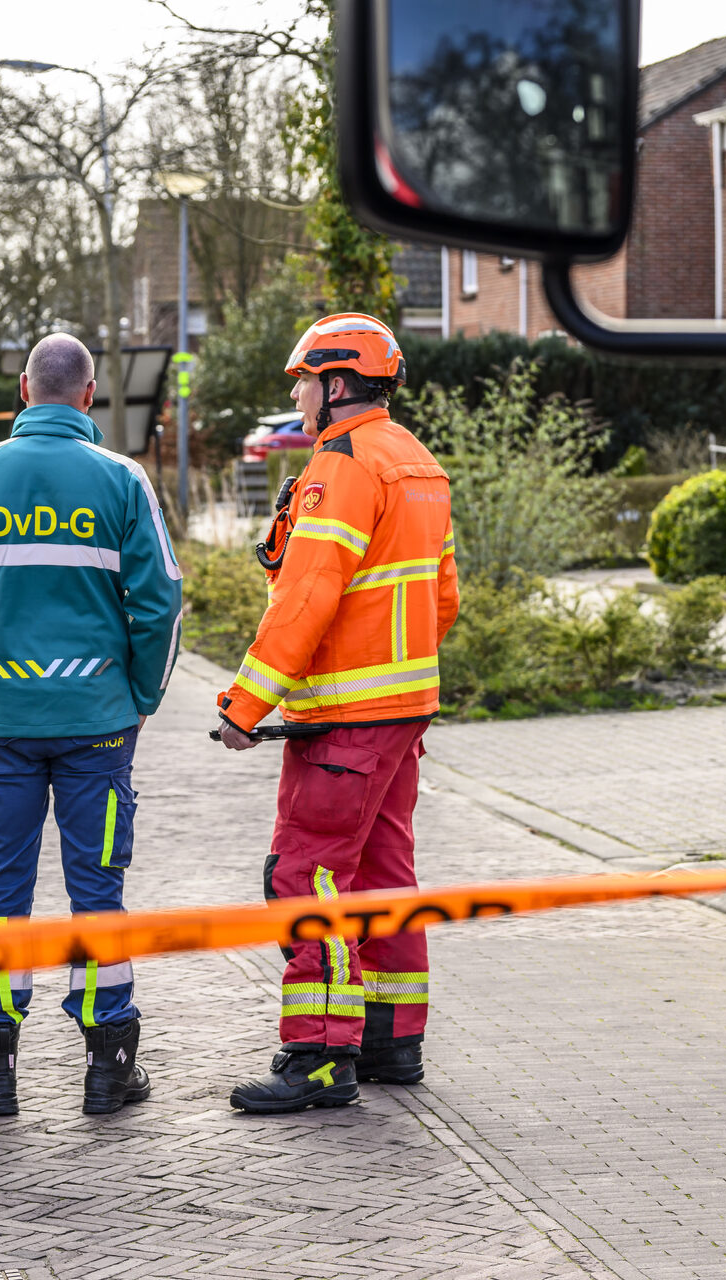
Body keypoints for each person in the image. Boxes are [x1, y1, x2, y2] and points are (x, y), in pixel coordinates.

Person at [0, 334, 183, 1117]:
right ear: (89, 396)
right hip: (98, 724)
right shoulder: (122, 481)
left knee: (1, 893)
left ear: (24, 390)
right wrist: (139, 697)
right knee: (99, 892)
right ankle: (109, 1067)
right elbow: (160, 603)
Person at [215, 313, 458, 1114]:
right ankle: (394, 1043)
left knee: (310, 877)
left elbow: (307, 595)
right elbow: (443, 599)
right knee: (386, 875)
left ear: (340, 383)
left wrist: (245, 706)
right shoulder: (418, 461)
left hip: (344, 720)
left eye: (305, 380)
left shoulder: (343, 465)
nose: (297, 393)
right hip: (402, 711)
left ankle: (320, 1060)